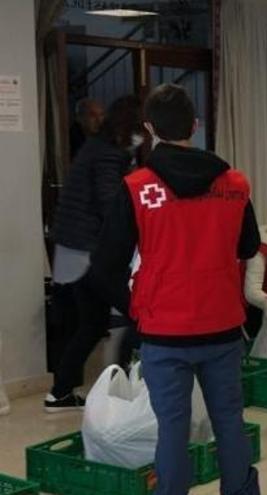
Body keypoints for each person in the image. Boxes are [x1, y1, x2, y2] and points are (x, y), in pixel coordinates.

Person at [89, 84, 261, 494]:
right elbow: (249, 246)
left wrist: (137, 306)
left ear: (149, 128)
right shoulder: (235, 184)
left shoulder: (138, 188)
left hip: (164, 330)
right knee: (229, 421)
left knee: (172, 429)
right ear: (195, 126)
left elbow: (104, 266)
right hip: (221, 324)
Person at [46, 95, 144, 412]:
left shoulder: (94, 147)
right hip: (90, 251)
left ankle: (59, 393)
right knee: (139, 312)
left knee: (91, 322)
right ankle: (123, 388)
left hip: (72, 250)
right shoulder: (109, 153)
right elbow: (108, 201)